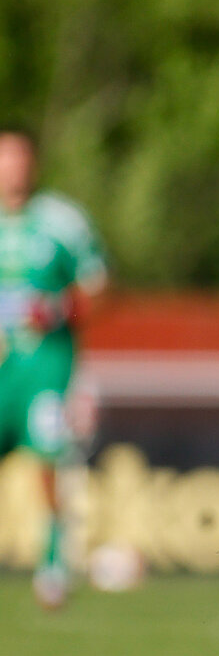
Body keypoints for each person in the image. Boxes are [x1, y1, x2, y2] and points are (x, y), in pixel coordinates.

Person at [0, 128, 107, 610]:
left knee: (46, 459)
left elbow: (98, 288)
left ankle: (52, 563)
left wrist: (57, 311)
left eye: (19, 157)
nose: (12, 168)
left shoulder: (61, 221)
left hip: (46, 366)